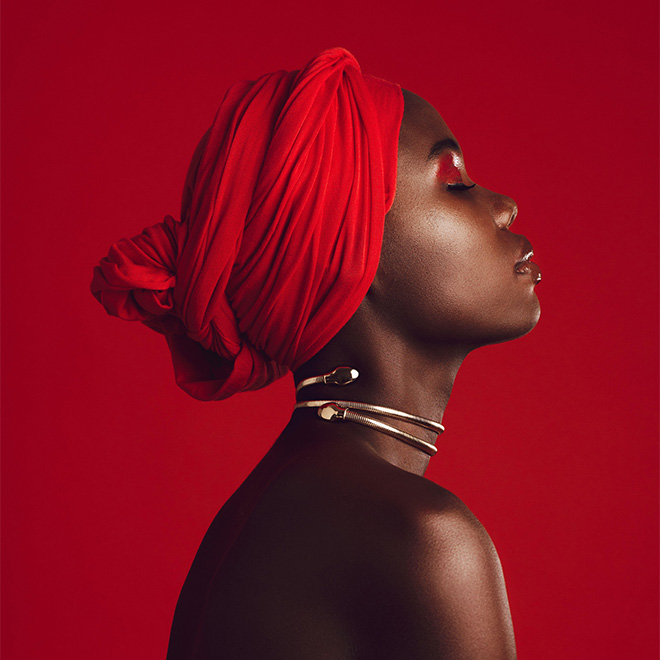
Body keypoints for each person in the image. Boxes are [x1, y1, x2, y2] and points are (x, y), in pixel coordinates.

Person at [92, 48, 540, 659]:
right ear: (349, 251)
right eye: (454, 183)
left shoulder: (262, 516)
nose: (504, 205)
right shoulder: (421, 537)